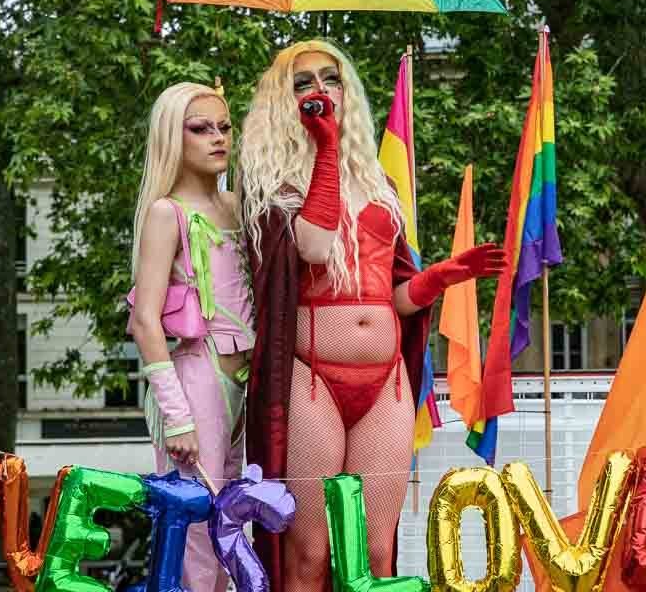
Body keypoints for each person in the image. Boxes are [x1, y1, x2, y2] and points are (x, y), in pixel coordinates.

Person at [240, 39, 505, 591]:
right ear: (283, 101)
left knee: (376, 548)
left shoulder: (381, 187)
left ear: (347, 91)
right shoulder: (272, 184)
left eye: (329, 79)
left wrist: (442, 275)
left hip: (385, 383)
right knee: (310, 550)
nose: (318, 90)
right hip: (311, 378)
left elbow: (397, 298)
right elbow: (313, 248)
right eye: (302, 82)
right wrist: (327, 149)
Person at [128, 82, 252, 592]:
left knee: (236, 528)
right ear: (172, 137)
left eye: (224, 126)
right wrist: (176, 415)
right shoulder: (166, 212)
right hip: (198, 377)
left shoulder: (239, 205)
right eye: (201, 128)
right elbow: (144, 320)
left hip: (249, 382)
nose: (217, 138)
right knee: (198, 533)